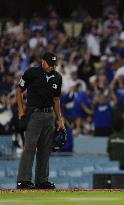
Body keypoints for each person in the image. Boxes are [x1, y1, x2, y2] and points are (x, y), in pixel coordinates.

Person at [16, 52, 65, 189]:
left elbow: (56, 99)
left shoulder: (57, 77)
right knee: (30, 147)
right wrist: (20, 110)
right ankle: (23, 180)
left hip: (49, 115)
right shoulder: (31, 73)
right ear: (43, 61)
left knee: (45, 149)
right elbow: (19, 90)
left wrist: (59, 119)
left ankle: (42, 180)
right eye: (50, 64)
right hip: (35, 113)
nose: (52, 67)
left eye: (54, 65)